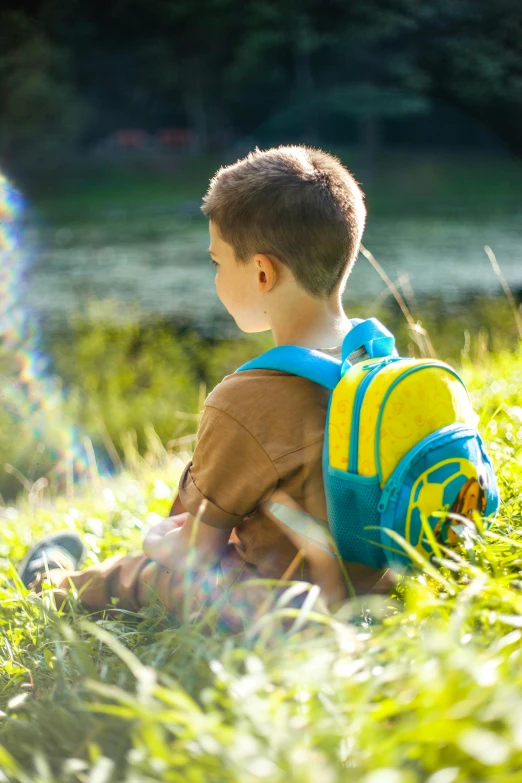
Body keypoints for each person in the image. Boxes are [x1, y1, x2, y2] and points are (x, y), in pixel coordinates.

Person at [19, 146, 388, 622]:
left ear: (261, 272)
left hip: (279, 605)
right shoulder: (379, 361)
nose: (214, 276)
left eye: (217, 263)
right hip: (377, 580)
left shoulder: (246, 399)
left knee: (147, 576)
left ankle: (49, 584)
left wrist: (157, 540)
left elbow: (197, 553)